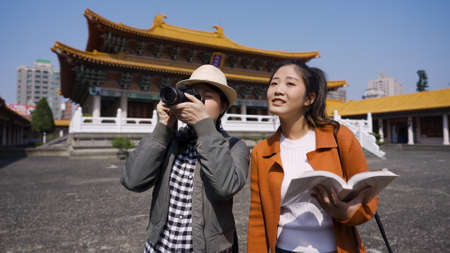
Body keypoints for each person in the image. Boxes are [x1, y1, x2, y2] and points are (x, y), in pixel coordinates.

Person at [247, 61, 378, 253]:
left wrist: (346, 212)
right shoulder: (262, 151)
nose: (278, 90)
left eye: (289, 84)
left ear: (309, 98)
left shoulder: (339, 137)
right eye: (274, 84)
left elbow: (368, 197)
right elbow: (258, 216)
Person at [121, 64, 250, 253]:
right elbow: (133, 180)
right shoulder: (170, 141)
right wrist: (163, 127)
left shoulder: (234, 147)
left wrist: (204, 126)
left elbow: (225, 187)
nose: (196, 102)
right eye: (192, 96)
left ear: (222, 106)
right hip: (159, 247)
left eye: (206, 97)